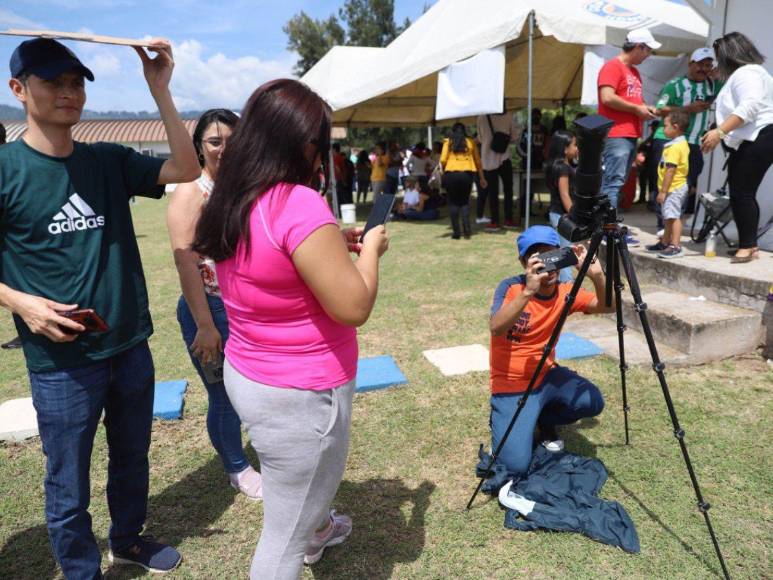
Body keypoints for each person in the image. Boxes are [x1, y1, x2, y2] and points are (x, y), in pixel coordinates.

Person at [0, 38, 199, 576]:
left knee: (132, 457)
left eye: (76, 82)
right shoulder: (5, 168)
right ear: (18, 89)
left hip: (129, 341)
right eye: (53, 82)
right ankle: (82, 570)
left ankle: (129, 539)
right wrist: (22, 304)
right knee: (68, 478)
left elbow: (186, 166)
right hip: (61, 361)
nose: (69, 93)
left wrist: (160, 89)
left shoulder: (108, 160)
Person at [192, 78, 389, 580]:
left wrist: (327, 246)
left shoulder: (232, 198)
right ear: (302, 144)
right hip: (301, 394)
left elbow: (272, 268)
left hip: (251, 373)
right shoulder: (298, 203)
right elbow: (354, 305)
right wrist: (370, 250)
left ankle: (319, 526)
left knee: (292, 501)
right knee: (281, 543)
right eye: (320, 143)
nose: (322, 155)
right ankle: (311, 530)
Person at [166, 109, 263, 500]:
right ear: (199, 147)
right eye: (215, 141)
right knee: (223, 394)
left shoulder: (243, 188)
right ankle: (236, 467)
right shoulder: (193, 191)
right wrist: (205, 325)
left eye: (232, 140)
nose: (225, 149)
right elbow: (185, 261)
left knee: (248, 390)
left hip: (243, 308)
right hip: (209, 310)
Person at [489, 226, 610, 475]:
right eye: (538, 258)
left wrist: (597, 276)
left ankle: (544, 419)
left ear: (562, 255)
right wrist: (528, 291)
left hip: (546, 375)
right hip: (511, 383)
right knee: (514, 466)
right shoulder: (511, 288)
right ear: (524, 262)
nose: (548, 265)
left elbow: (607, 307)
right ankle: (506, 420)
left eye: (552, 256)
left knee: (592, 401)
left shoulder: (566, 290)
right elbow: (496, 328)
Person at [701, 32, 773, 264]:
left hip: (757, 138)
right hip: (756, 138)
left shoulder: (747, 73)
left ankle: (748, 246)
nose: (717, 61)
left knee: (742, 192)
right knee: (743, 192)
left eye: (719, 56)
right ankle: (748, 245)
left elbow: (749, 107)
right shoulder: (750, 73)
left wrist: (719, 131)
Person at [597, 28, 660, 246]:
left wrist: (645, 108)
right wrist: (636, 110)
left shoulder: (633, 72)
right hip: (616, 134)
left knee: (616, 183)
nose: (649, 55)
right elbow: (607, 97)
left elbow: (633, 102)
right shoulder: (612, 67)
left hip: (629, 134)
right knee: (613, 183)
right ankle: (607, 231)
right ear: (638, 46)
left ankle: (609, 229)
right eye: (648, 50)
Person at [653, 47, 716, 216]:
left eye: (708, 65)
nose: (704, 69)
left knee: (685, 185)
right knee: (666, 182)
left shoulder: (712, 85)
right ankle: (663, 227)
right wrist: (688, 108)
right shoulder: (675, 85)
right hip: (670, 140)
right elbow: (659, 109)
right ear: (690, 64)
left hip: (695, 142)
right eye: (700, 64)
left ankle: (673, 223)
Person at [646, 111, 691, 259]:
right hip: (673, 187)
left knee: (673, 216)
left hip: (673, 188)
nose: (662, 129)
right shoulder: (678, 144)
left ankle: (676, 245)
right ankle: (665, 242)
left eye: (665, 126)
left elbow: (670, 171)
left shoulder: (675, 147)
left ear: (675, 127)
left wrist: (663, 191)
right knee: (668, 216)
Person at [440, 122, 487, 239]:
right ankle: (467, 230)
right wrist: (482, 178)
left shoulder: (448, 142)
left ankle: (456, 233)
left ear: (453, 130)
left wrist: (444, 170)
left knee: (453, 203)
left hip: (451, 174)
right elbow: (478, 161)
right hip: (467, 174)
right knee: (465, 202)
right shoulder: (471, 142)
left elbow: (442, 159)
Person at [545, 130, 578, 282]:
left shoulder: (556, 165)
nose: (577, 148)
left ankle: (548, 281)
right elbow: (565, 194)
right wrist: (574, 215)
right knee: (565, 254)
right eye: (574, 145)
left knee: (557, 253)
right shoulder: (563, 168)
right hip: (561, 215)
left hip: (555, 213)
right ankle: (567, 288)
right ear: (565, 149)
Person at [477, 110, 518, 231]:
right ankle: (508, 219)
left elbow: (480, 138)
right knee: (508, 191)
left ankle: (494, 222)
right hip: (504, 157)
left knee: (492, 192)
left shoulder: (481, 117)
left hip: (488, 159)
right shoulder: (509, 116)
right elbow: (514, 136)